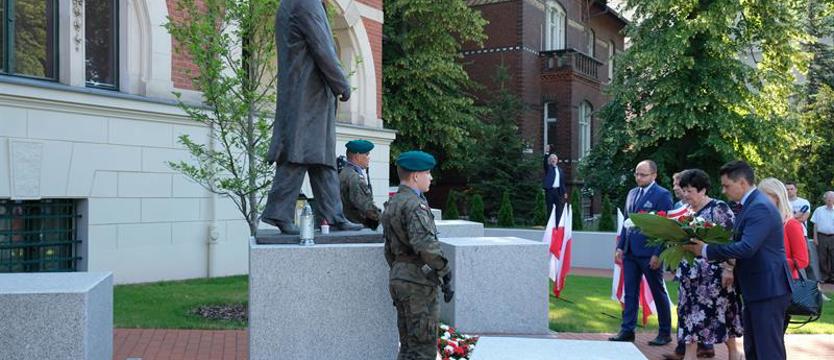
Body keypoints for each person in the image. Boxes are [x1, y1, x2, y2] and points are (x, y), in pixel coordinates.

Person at [261, 0, 362, 234]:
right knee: (298, 154)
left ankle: (333, 215)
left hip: (307, 94)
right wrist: (341, 83)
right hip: (308, 95)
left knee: (322, 158)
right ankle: (278, 213)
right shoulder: (306, 2)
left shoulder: (293, 3)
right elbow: (323, 47)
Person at [683, 160, 792, 360]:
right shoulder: (750, 204)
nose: (723, 191)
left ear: (742, 183)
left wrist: (705, 250)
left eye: (727, 185)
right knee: (754, 350)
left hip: (768, 289)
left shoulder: (760, 206)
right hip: (758, 288)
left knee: (768, 351)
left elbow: (746, 247)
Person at [665, 169, 742, 360]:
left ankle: (734, 353)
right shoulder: (686, 211)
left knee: (721, 316)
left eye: (689, 191)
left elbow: (731, 242)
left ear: (703, 190)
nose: (685, 195)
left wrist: (729, 269)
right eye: (684, 190)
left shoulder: (718, 208)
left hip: (714, 278)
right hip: (689, 277)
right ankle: (689, 356)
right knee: (689, 319)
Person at [382, 151, 452, 360]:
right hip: (417, 283)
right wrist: (444, 271)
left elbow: (389, 249)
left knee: (408, 346)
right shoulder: (414, 205)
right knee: (422, 348)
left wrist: (400, 269)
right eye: (427, 173)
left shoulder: (393, 203)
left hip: (400, 277)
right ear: (415, 176)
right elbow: (425, 245)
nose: (430, 177)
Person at [610, 160, 673, 346]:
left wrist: (658, 253)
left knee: (657, 291)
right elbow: (626, 222)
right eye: (636, 174)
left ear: (654, 175)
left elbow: (665, 227)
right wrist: (620, 246)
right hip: (630, 251)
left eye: (643, 174)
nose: (638, 177)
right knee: (630, 292)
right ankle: (627, 330)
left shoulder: (662, 195)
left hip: (649, 253)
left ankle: (665, 332)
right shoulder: (632, 193)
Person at [758, 178, 810, 330]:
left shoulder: (791, 224)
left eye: (763, 196)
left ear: (777, 197)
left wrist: (772, 263)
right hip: (761, 283)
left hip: (782, 285)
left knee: (773, 336)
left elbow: (802, 260)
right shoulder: (762, 222)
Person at [339, 140, 382, 229]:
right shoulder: (354, 177)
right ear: (357, 156)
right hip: (357, 227)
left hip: (348, 225)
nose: (368, 158)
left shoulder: (344, 173)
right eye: (366, 154)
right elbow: (365, 206)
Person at [811, 191, 834, 284]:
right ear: (824, 199)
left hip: (833, 237)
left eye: (831, 198)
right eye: (827, 198)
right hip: (821, 236)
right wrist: (815, 237)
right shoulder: (819, 210)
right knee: (822, 258)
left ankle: (833, 277)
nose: (829, 200)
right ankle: (825, 277)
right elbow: (815, 225)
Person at [543, 154, 567, 222]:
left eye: (555, 158)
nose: (553, 160)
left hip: (558, 191)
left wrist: (565, 192)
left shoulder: (560, 170)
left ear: (557, 160)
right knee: (550, 208)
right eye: (552, 158)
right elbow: (545, 162)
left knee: (559, 208)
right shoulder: (548, 168)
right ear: (550, 160)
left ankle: (557, 224)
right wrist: (546, 153)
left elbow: (562, 182)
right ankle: (550, 224)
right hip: (550, 191)